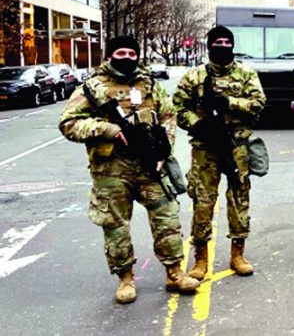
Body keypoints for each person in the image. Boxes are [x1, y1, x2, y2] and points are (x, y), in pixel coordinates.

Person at [59, 35, 200, 304]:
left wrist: (163, 150)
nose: (127, 57)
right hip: (111, 169)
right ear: (110, 56)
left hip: (149, 166)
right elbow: (69, 123)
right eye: (120, 53)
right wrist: (107, 129)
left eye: (131, 53)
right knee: (115, 226)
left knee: (167, 218)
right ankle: (125, 278)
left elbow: (168, 116)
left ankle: (174, 272)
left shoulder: (148, 84)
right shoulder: (93, 88)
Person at [173, 26, 266, 280]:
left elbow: (258, 104)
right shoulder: (195, 77)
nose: (223, 46)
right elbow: (179, 108)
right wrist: (198, 124)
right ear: (209, 45)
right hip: (205, 147)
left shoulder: (246, 74)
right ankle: (200, 259)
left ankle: (238, 254)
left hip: (237, 146)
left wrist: (229, 103)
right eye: (218, 42)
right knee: (203, 201)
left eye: (227, 42)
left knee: (239, 199)